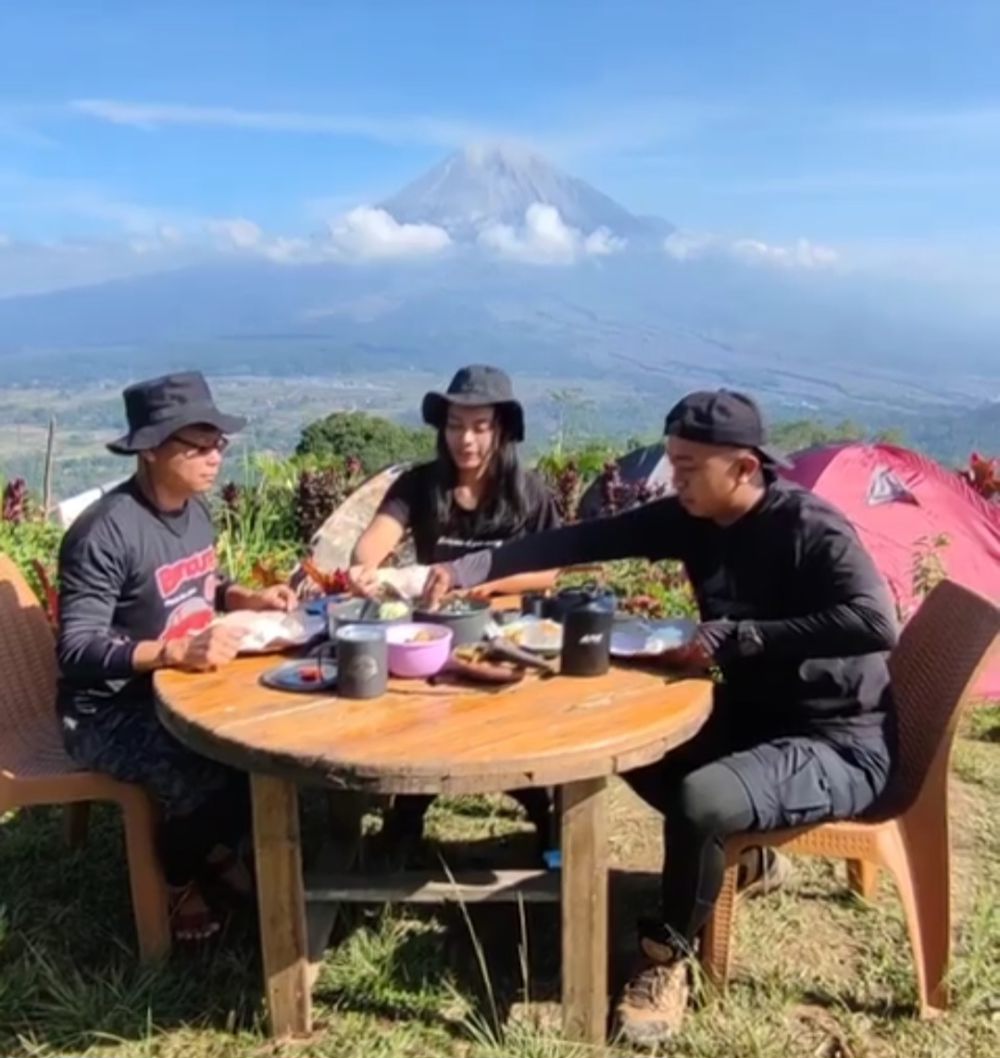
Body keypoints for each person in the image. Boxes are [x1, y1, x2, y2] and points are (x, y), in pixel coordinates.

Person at [423, 389, 898, 1044]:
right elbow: (585, 537)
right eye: (673, 462)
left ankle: (665, 956)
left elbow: (876, 624)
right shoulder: (691, 517)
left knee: (701, 799)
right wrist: (466, 566)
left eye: (689, 466)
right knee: (618, 738)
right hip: (750, 708)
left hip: (836, 735)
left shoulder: (810, 530)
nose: (675, 479)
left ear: (745, 468)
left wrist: (743, 637)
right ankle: (749, 860)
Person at [56, 371, 298, 943]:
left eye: (219, 443)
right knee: (224, 774)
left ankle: (213, 849)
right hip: (106, 712)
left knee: (270, 748)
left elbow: (199, 585)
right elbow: (76, 647)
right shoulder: (106, 535)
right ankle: (177, 876)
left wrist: (242, 597)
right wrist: (172, 651)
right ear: (150, 451)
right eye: (198, 446)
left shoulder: (194, 509)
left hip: (181, 686)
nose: (215, 457)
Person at [350, 364, 563, 859]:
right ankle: (409, 811)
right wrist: (366, 569)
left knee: (516, 730)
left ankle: (542, 806)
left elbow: (550, 572)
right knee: (421, 725)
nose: (465, 439)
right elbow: (371, 545)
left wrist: (480, 580)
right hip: (434, 634)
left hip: (509, 637)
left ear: (502, 430)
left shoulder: (528, 492)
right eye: (454, 425)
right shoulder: (420, 486)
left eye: (479, 426)